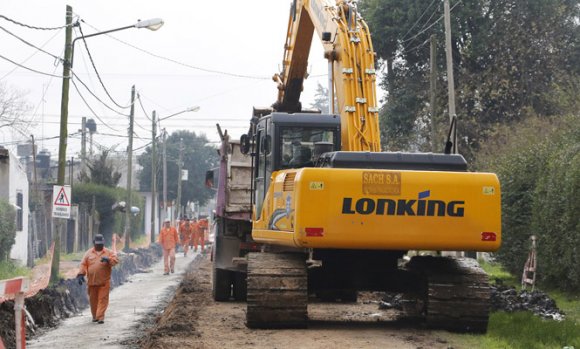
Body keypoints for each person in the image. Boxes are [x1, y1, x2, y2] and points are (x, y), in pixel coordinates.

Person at [76, 234, 118, 324]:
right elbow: (83, 264)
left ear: (103, 243)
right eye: (97, 244)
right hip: (92, 282)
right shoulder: (88, 253)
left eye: (101, 244)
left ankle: (100, 317)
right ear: (94, 243)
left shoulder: (108, 252)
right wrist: (81, 274)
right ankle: (95, 316)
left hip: (104, 282)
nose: (99, 245)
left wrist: (108, 260)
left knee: (103, 300)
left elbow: (115, 261)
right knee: (93, 301)